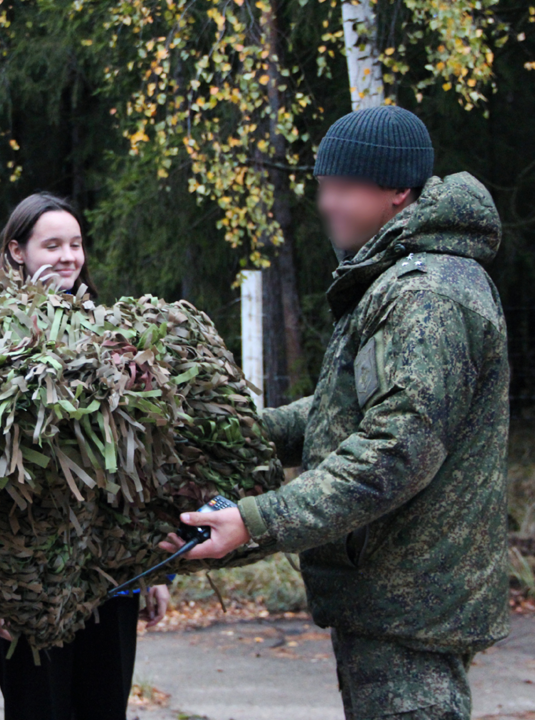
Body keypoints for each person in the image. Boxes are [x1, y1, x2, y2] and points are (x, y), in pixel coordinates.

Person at [162, 105, 509, 720]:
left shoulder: (428, 295)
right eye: (324, 186)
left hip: (410, 611)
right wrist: (224, 431)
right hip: (390, 602)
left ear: (398, 191)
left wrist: (258, 519)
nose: (326, 204)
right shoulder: (403, 278)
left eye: (343, 188)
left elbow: (395, 451)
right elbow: (339, 414)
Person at [0, 192, 171, 720]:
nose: (68, 256)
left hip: (110, 578)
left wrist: (150, 568)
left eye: (76, 244)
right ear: (17, 251)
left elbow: (138, 461)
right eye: (53, 245)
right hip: (31, 581)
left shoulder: (113, 331)